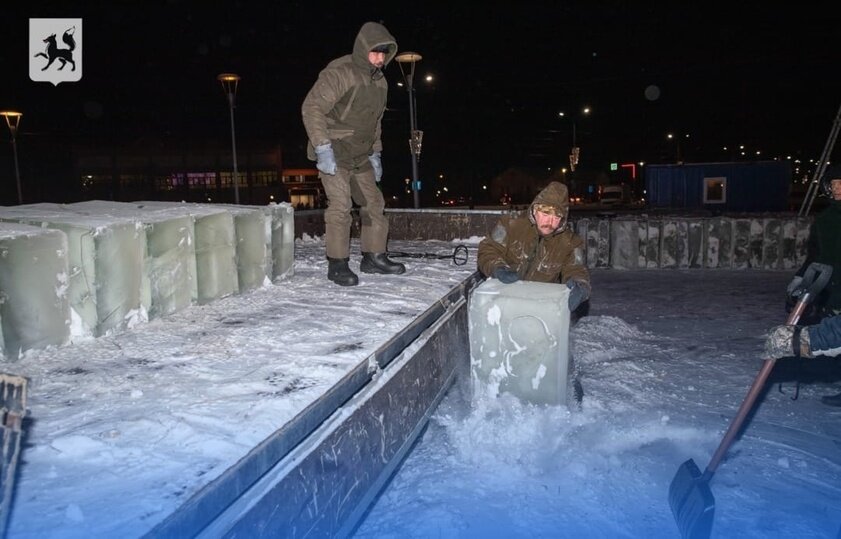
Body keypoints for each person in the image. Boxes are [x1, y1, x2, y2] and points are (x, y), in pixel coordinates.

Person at [302, 22, 405, 286]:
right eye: (375, 52)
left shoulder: (380, 83)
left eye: (385, 53)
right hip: (334, 150)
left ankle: (373, 257)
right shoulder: (341, 72)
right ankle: (337, 264)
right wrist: (323, 147)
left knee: (374, 204)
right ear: (363, 49)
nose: (380, 59)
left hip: (362, 154)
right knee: (341, 206)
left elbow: (375, 121)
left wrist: (376, 153)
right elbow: (312, 107)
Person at [477, 181, 591, 312]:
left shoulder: (571, 242)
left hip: (541, 306)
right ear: (535, 210)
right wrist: (497, 267)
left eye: (557, 217)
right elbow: (489, 248)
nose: (550, 222)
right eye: (546, 214)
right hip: (504, 299)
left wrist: (580, 286)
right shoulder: (509, 224)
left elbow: (577, 269)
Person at [786, 165, 841, 404]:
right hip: (833, 288)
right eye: (834, 184)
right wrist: (800, 280)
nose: (838, 188)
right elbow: (815, 256)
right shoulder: (825, 220)